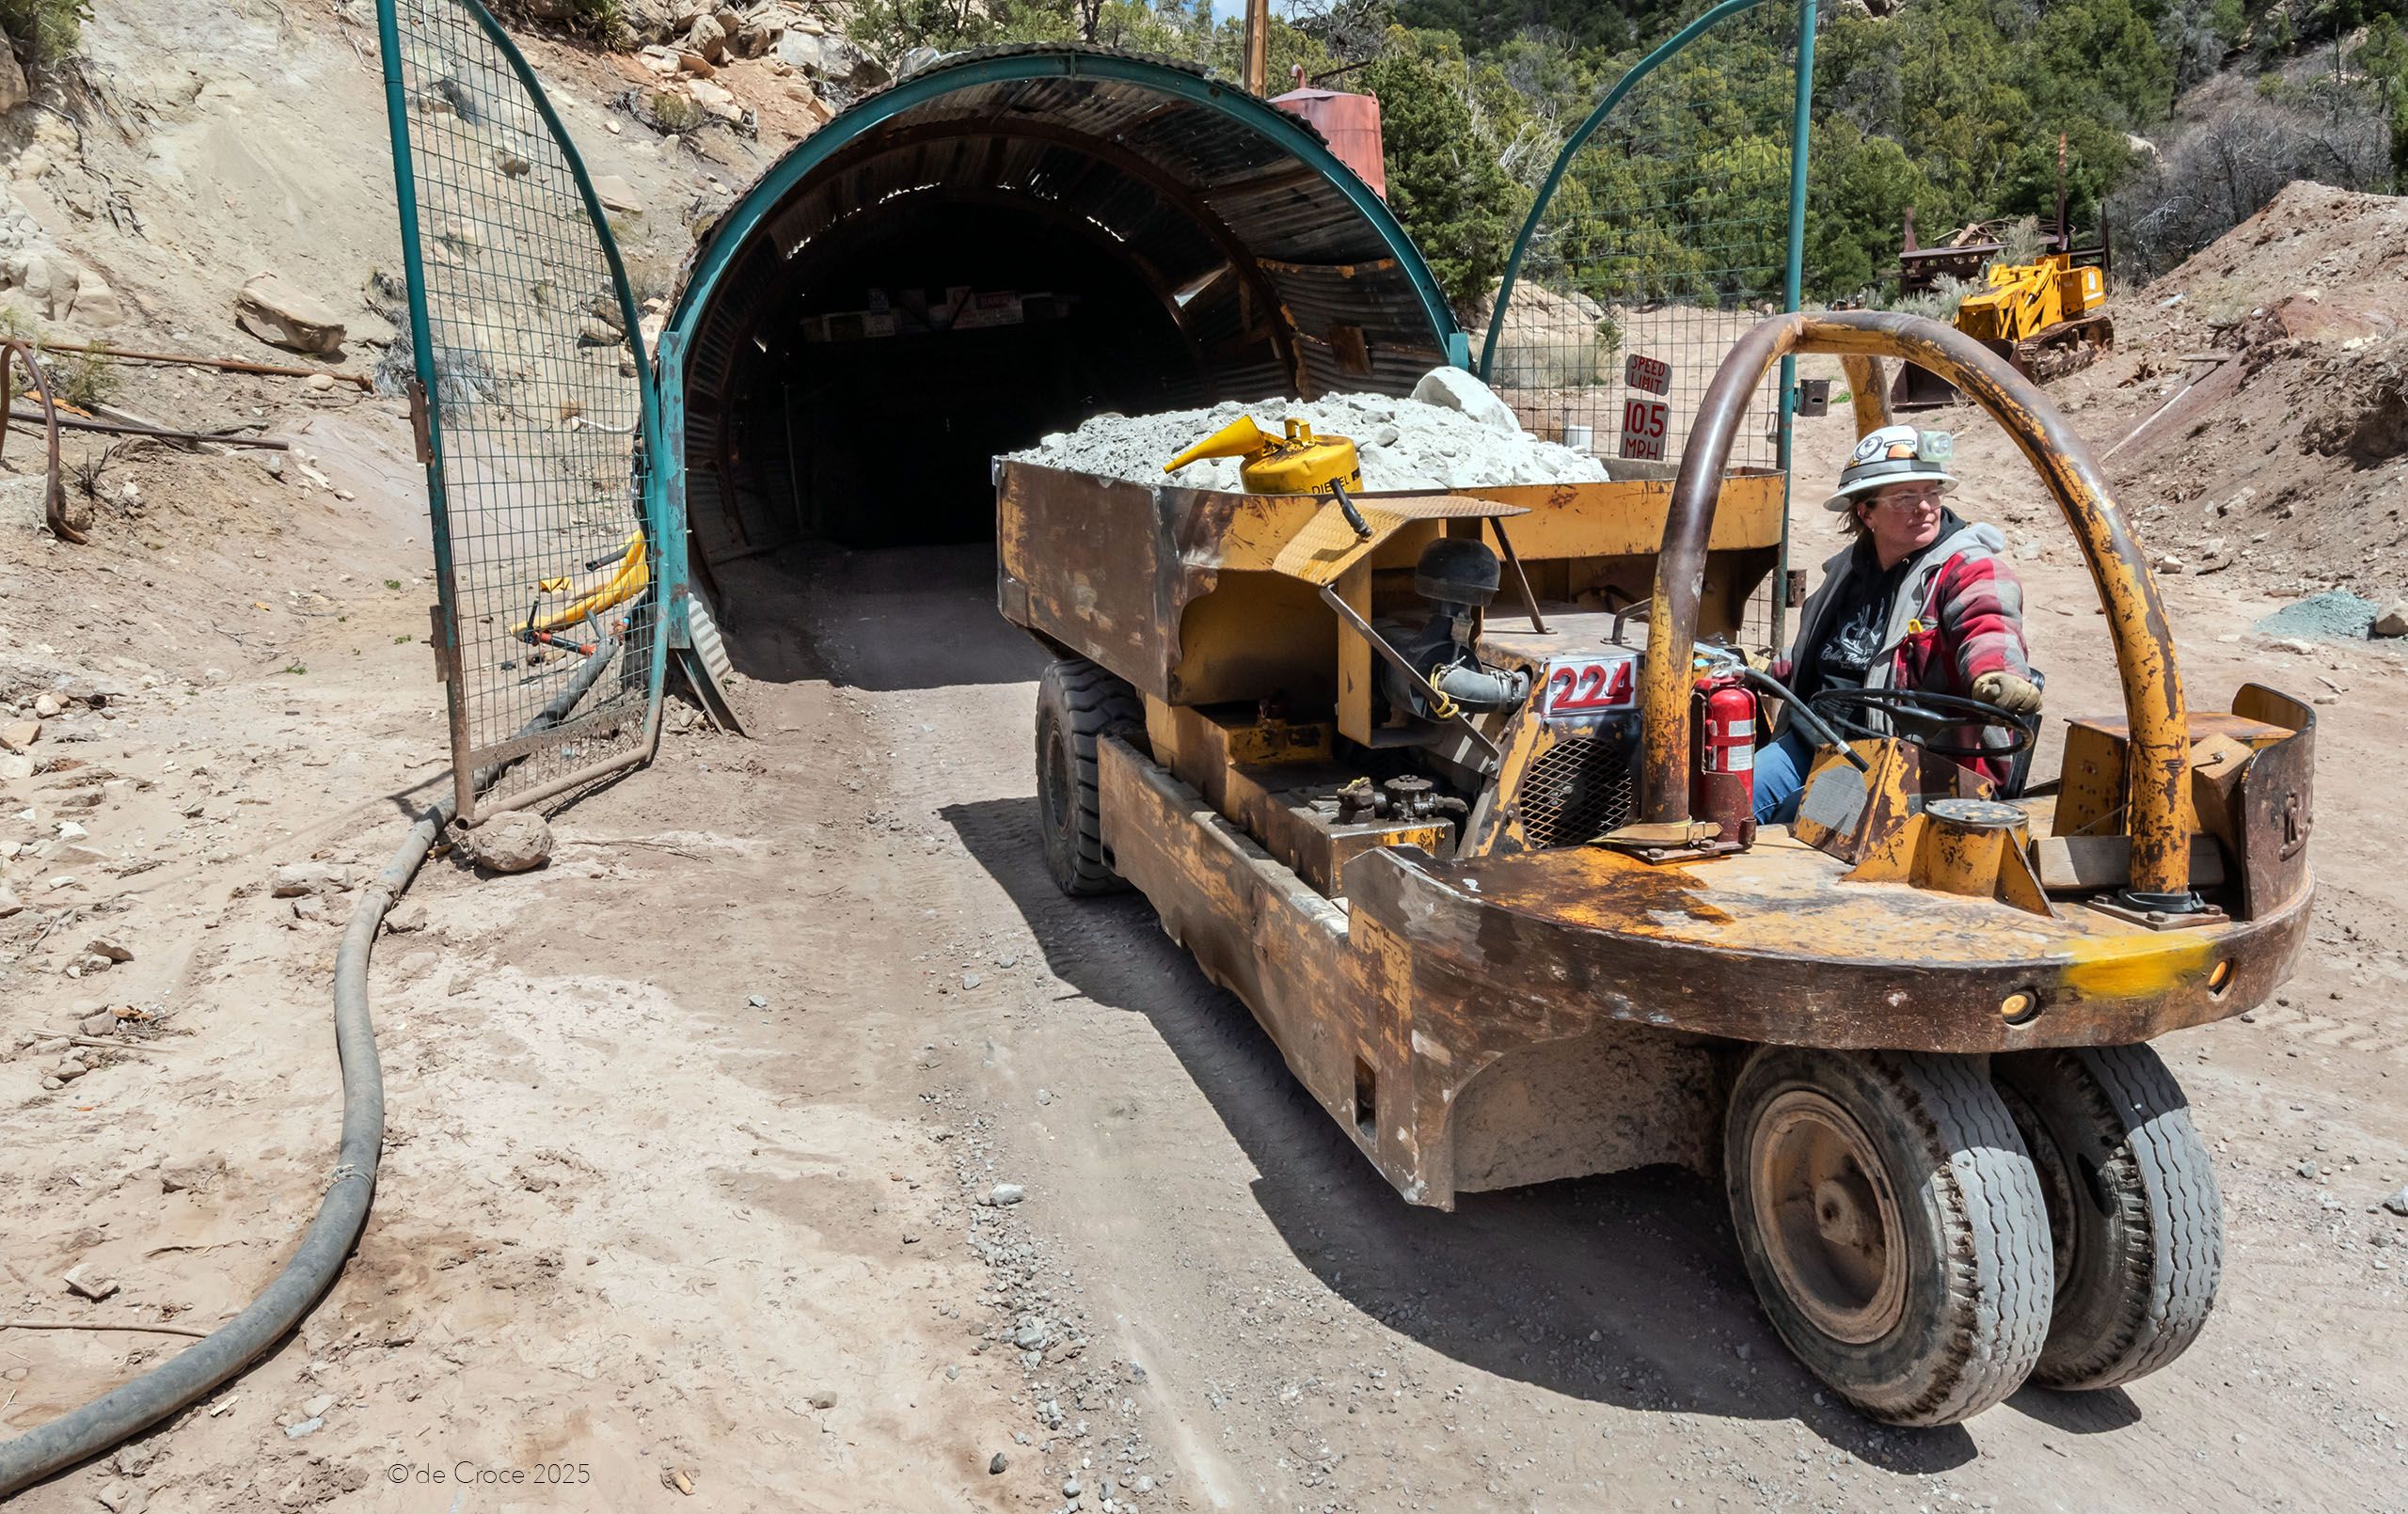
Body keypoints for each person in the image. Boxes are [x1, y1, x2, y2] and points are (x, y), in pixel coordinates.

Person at [1753, 424, 2042, 825]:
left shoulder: (1967, 569)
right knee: (1726, 798)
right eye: (1905, 497)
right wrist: (1762, 668)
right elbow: (1830, 650)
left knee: (1800, 822)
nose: (1924, 507)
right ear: (1866, 512)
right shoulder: (1847, 570)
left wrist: (1997, 673)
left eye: (1931, 492)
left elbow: (1989, 622)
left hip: (1906, 762)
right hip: (1813, 739)